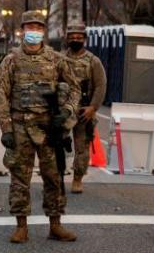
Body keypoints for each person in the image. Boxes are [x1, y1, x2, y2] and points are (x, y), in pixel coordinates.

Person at [0, 10, 80, 243]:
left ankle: (55, 224)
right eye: (29, 27)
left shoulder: (57, 59)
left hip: (48, 127)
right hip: (21, 126)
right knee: (20, 178)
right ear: (22, 31)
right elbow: (1, 93)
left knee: (54, 177)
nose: (33, 31)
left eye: (37, 27)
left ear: (43, 31)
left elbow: (74, 89)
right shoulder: (11, 60)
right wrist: (6, 129)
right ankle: (21, 225)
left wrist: (67, 113)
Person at [63, 21, 106, 194]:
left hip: (84, 111)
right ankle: (57, 178)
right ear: (67, 39)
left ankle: (77, 179)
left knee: (82, 147)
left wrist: (93, 107)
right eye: (72, 36)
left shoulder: (93, 61)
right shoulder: (60, 59)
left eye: (79, 37)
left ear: (84, 39)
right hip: (64, 111)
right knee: (56, 146)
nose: (75, 39)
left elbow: (100, 85)